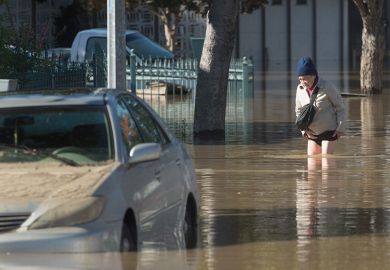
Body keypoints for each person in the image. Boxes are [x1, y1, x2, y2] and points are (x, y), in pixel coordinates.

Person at [295, 56, 346, 155]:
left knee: (326, 162)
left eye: (305, 79)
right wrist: (304, 131)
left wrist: (340, 129)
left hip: (329, 131)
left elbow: (340, 108)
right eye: (300, 79)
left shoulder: (327, 86)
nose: (302, 82)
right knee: (312, 167)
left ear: (313, 75)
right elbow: (298, 111)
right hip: (312, 133)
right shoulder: (300, 89)